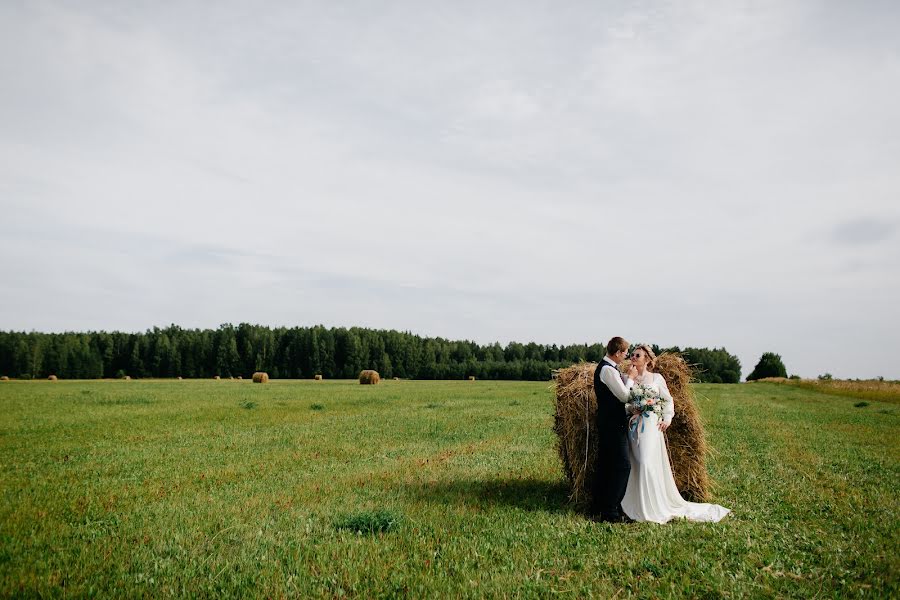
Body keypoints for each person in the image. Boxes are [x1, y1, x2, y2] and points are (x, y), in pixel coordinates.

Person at [620, 344, 731, 523]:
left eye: (637, 355)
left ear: (647, 359)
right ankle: (637, 505)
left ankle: (654, 505)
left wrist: (667, 418)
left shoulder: (656, 378)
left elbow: (667, 400)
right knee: (636, 462)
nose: (633, 357)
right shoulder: (628, 378)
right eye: (632, 355)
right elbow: (623, 399)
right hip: (634, 425)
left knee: (646, 461)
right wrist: (632, 408)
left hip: (651, 425)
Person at [590, 336, 638, 522]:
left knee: (608, 466)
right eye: (625, 353)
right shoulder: (608, 370)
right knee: (622, 467)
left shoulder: (610, 369)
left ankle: (603, 507)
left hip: (610, 422)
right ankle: (610, 512)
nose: (626, 357)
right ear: (617, 353)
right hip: (612, 425)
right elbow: (624, 396)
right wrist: (632, 379)